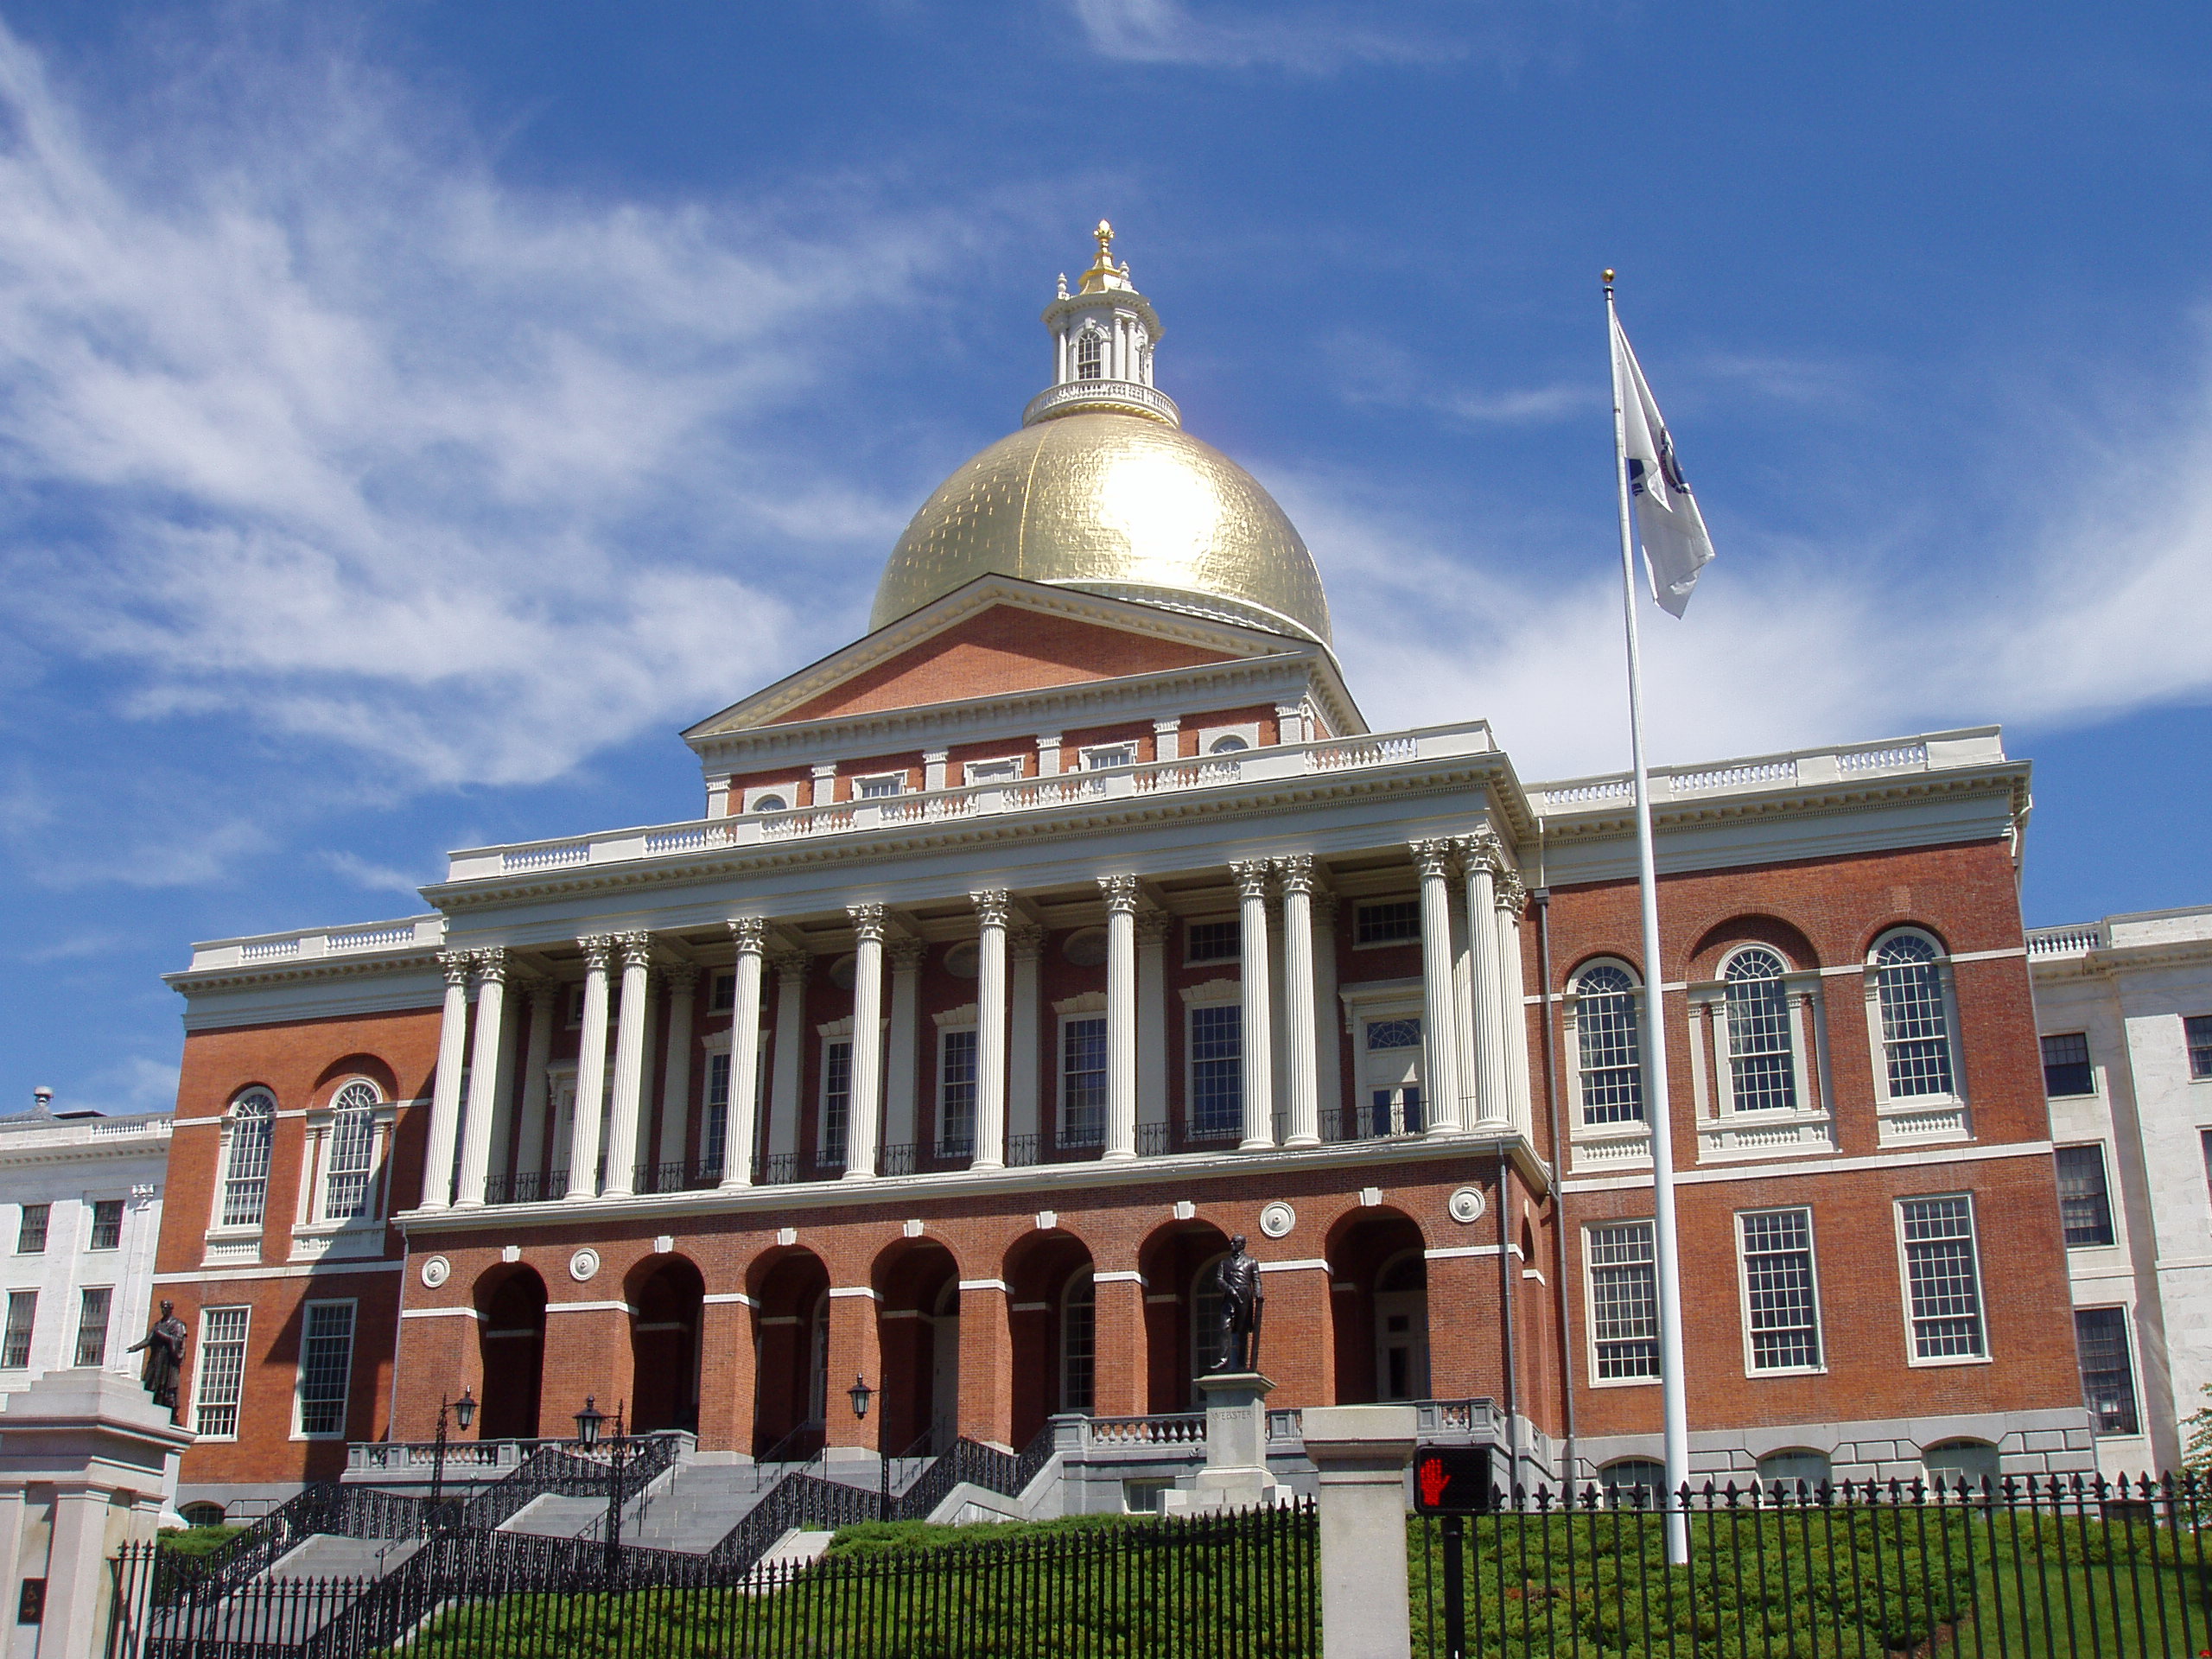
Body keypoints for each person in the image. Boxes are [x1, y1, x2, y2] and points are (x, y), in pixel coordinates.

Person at [127, 1300, 189, 1425]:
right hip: (156, 1360)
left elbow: (178, 1341)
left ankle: (170, 1413)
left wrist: (164, 1336)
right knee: (151, 1383)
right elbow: (148, 1340)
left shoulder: (178, 1325)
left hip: (168, 1362)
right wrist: (135, 1347)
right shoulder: (158, 1325)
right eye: (162, 1307)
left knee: (167, 1386)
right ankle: (154, 1406)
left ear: (171, 1309)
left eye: (166, 1307)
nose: (163, 1310)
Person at [1210, 1236, 1263, 1373]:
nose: (1232, 1244)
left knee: (1242, 1331)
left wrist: (1258, 1294)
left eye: (1235, 1242)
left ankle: (1241, 1363)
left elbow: (1256, 1280)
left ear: (1242, 1245)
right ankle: (1223, 1361)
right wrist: (1229, 1289)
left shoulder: (1251, 1262)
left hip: (1244, 1297)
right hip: (1229, 1297)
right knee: (1224, 1327)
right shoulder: (1224, 1262)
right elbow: (1219, 1279)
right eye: (1232, 1242)